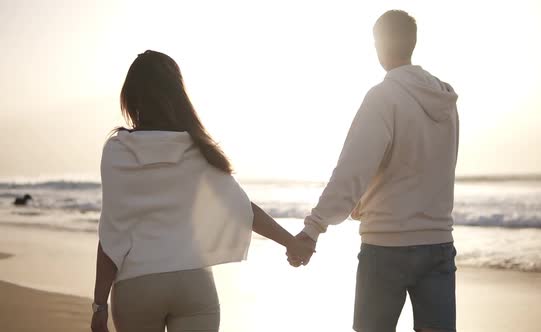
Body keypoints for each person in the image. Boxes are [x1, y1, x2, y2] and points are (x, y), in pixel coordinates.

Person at [91, 50, 314, 332]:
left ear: (131, 96)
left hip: (137, 285)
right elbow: (242, 209)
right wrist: (291, 243)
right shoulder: (197, 148)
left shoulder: (117, 150)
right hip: (193, 285)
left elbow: (111, 233)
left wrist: (99, 305)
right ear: (177, 94)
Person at [287, 10, 459, 332]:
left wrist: (313, 229)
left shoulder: (383, 96)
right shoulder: (445, 100)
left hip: (386, 246)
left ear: (379, 45)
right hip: (438, 243)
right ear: (413, 42)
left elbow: (352, 170)